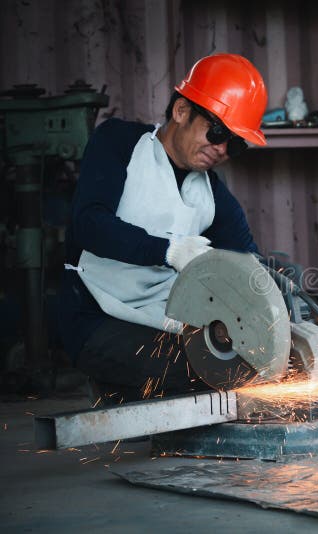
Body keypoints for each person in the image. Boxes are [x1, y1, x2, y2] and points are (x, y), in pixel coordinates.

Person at [57, 54, 267, 403]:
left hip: (165, 322)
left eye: (235, 143)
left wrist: (275, 306)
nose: (221, 149)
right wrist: (168, 251)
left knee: (241, 364)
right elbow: (89, 224)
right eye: (217, 132)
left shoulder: (212, 194)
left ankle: (130, 390)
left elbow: (247, 263)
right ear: (182, 111)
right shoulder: (120, 144)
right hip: (96, 316)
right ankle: (117, 386)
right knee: (202, 372)